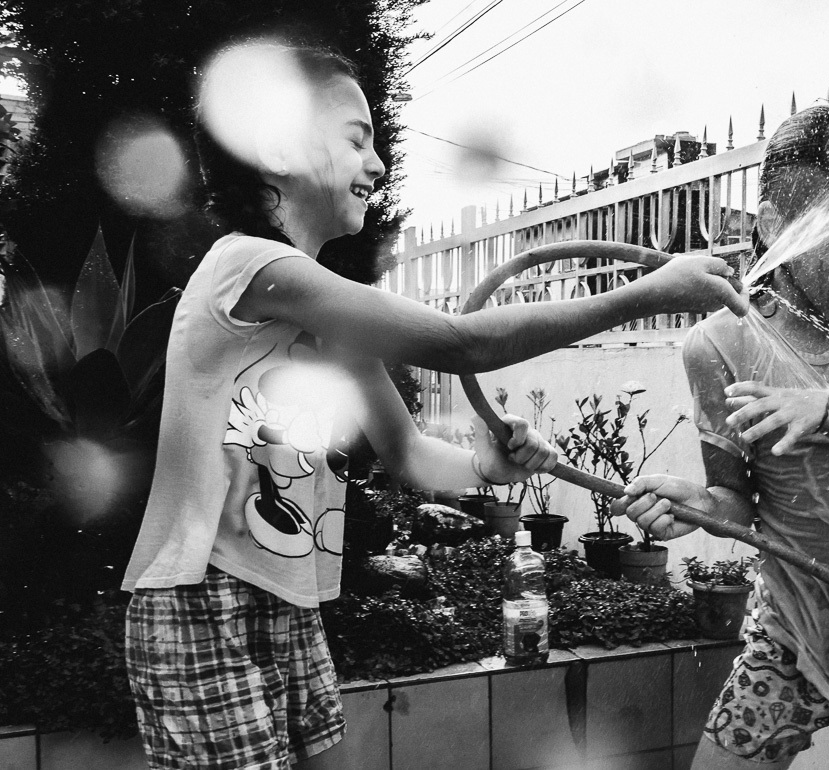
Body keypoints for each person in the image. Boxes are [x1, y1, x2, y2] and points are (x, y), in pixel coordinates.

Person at [121, 40, 747, 770]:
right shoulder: (246, 265)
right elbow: (459, 342)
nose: (379, 164)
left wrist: (487, 463)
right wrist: (648, 293)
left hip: (286, 602)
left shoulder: (323, 313)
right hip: (200, 600)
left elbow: (410, 452)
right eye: (356, 139)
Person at [612, 104, 829, 770]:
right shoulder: (719, 345)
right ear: (778, 230)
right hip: (791, 630)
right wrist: (697, 506)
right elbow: (736, 501)